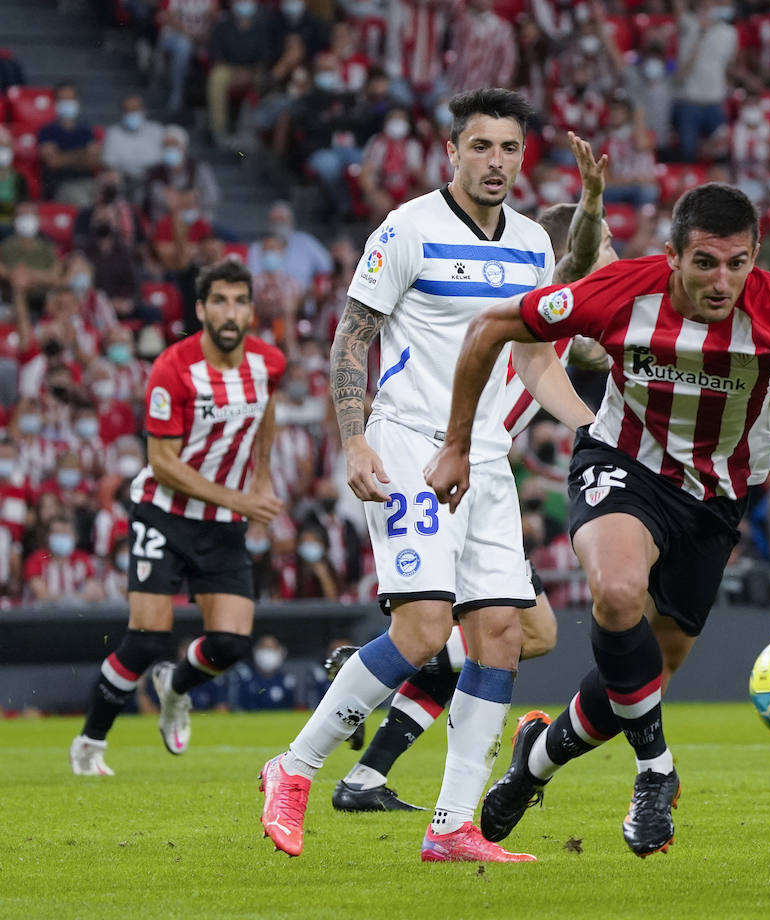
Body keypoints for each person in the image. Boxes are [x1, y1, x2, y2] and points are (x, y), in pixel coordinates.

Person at [427, 181, 770, 857]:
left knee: (638, 681)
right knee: (616, 593)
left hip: (715, 501)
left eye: (736, 263)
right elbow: (493, 326)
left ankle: (534, 762)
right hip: (622, 463)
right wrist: (457, 443)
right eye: (704, 263)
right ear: (671, 256)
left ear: (755, 256)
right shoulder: (620, 292)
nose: (721, 281)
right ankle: (655, 771)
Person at [258, 88, 598, 863]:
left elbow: (535, 359)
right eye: (481, 147)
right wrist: (352, 441)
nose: (496, 163)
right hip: (410, 443)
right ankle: (295, 767)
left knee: (503, 634)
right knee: (420, 628)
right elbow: (351, 341)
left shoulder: (529, 247)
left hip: (486, 459)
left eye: (509, 149)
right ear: (451, 152)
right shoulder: (406, 228)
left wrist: (593, 425)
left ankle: (450, 826)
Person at [330, 184, 619, 815]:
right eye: (606, 258)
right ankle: (376, 693)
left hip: (480, 480)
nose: (614, 271)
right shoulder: (540, 310)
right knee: (505, 633)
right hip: (437, 468)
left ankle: (369, 771)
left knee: (520, 634)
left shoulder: (565, 326)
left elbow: (601, 348)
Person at [70, 259, 285, 777]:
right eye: (219, 301)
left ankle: (176, 688)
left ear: (250, 310)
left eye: (238, 301)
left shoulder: (268, 363)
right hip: (162, 513)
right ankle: (90, 743)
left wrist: (261, 476)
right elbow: (163, 464)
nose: (229, 312)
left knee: (231, 643)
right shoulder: (173, 367)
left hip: (222, 523)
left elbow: (266, 412)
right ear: (201, 309)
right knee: (146, 639)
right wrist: (240, 501)